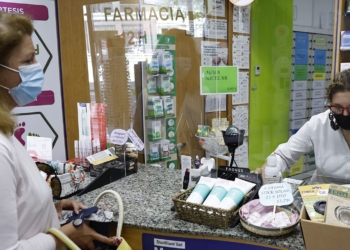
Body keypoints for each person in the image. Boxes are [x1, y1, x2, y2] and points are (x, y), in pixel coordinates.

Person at [0, 12, 116, 249]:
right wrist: (66, 236)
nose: (37, 68)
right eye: (28, 60)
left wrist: (48, 211)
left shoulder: (6, 134)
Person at [255, 69, 350, 184]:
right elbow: (284, 155)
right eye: (337, 108)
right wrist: (268, 171)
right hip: (321, 197)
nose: (344, 114)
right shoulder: (319, 124)